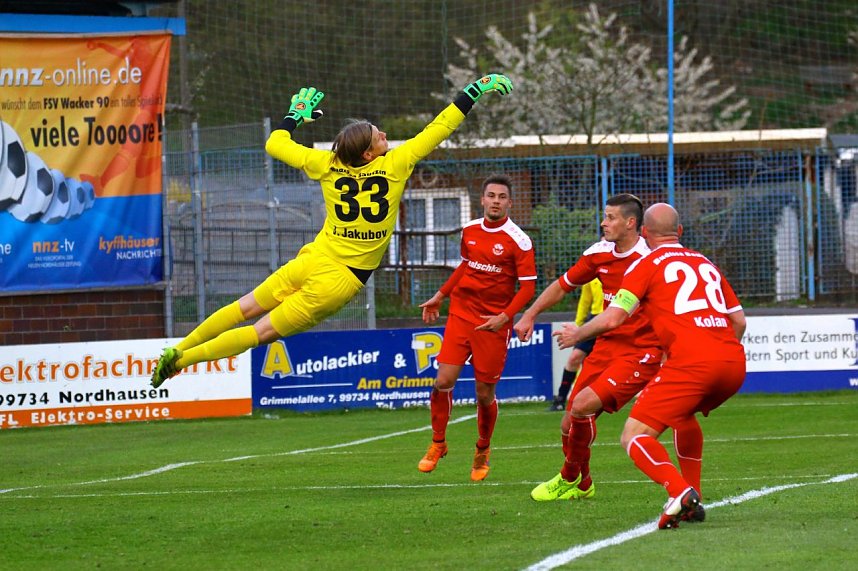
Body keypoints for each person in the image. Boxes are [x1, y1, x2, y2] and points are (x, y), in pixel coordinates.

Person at [149, 74, 514, 387]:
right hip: (339, 279)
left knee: (243, 307)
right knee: (260, 333)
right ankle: (179, 363)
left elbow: (274, 143)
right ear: (370, 155)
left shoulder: (327, 164)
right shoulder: (396, 164)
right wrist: (474, 90)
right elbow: (440, 127)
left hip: (315, 257)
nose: (385, 135)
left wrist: (295, 116)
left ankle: (178, 347)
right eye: (379, 136)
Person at [554, 203, 746, 529]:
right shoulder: (705, 263)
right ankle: (692, 494)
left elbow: (615, 316)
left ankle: (679, 490)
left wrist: (579, 333)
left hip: (692, 364)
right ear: (680, 232)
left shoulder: (646, 264)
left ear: (644, 232)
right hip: (732, 364)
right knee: (682, 417)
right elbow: (739, 322)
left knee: (634, 435)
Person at [515, 194, 703, 503]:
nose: (604, 222)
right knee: (569, 422)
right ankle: (583, 483)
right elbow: (563, 285)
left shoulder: (651, 258)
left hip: (641, 352)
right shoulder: (599, 253)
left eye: (611, 217)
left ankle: (569, 477)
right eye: (604, 216)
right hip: (605, 348)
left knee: (583, 406)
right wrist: (531, 314)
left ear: (631, 223)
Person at [417, 174, 536, 481]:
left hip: (493, 323)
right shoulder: (469, 230)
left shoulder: (519, 240)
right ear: (482, 199)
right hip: (461, 314)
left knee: (484, 394)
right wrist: (440, 296)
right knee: (443, 380)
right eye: (491, 195)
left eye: (501, 197)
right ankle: (438, 443)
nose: (495, 201)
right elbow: (465, 267)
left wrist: (505, 316)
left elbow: (527, 288)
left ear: (509, 202)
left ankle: (482, 449)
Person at [547, 277, 603, 412]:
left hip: (614, 318)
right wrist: (578, 326)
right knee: (574, 358)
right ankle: (560, 399)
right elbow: (585, 301)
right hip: (594, 320)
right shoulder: (594, 274)